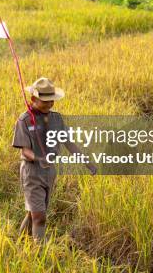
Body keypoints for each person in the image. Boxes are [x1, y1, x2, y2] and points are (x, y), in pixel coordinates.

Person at [12, 77, 96, 241]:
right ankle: (39, 254)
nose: (49, 104)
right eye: (45, 101)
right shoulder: (24, 120)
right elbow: (25, 150)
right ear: (33, 99)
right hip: (31, 171)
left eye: (51, 100)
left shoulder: (57, 119)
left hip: (49, 171)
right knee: (40, 217)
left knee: (33, 213)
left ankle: (19, 243)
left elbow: (68, 143)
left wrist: (87, 162)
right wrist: (39, 158)